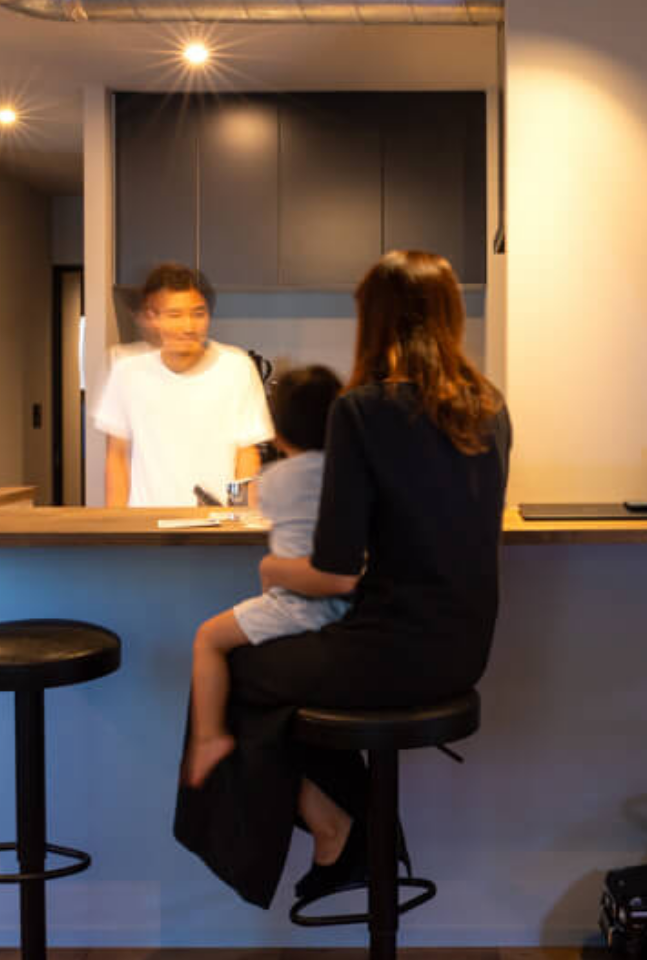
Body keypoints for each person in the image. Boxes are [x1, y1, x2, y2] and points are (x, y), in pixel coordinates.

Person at [173, 249, 512, 910]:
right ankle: (359, 836)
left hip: (388, 652)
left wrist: (271, 567)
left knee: (236, 671)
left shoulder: (362, 410)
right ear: (450, 315)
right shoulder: (490, 408)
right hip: (465, 651)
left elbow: (332, 574)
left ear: (374, 318)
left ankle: (340, 833)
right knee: (281, 677)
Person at [184, 365, 347, 789]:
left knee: (208, 638)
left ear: (278, 434)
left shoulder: (274, 480)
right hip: (346, 614)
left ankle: (209, 737)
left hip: (294, 606)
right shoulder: (349, 475)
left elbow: (265, 516)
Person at [95, 263, 273, 507]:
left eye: (198, 314)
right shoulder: (127, 373)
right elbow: (117, 456)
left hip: (214, 521)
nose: (188, 327)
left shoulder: (238, 368)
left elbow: (246, 453)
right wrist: (117, 523)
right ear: (154, 318)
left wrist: (240, 517)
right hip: (146, 521)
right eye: (175, 315)